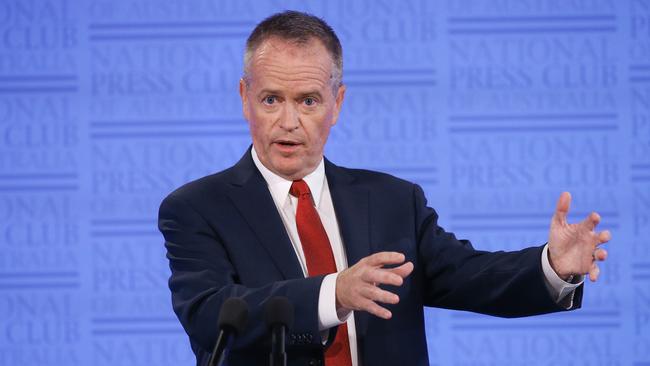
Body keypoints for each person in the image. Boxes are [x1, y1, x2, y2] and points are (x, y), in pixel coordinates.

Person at [158, 10, 611, 366]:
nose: (289, 121)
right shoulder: (197, 208)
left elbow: (472, 277)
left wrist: (553, 266)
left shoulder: (394, 202)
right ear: (244, 98)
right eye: (271, 99)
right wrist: (334, 293)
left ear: (337, 104)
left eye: (308, 100)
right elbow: (208, 312)